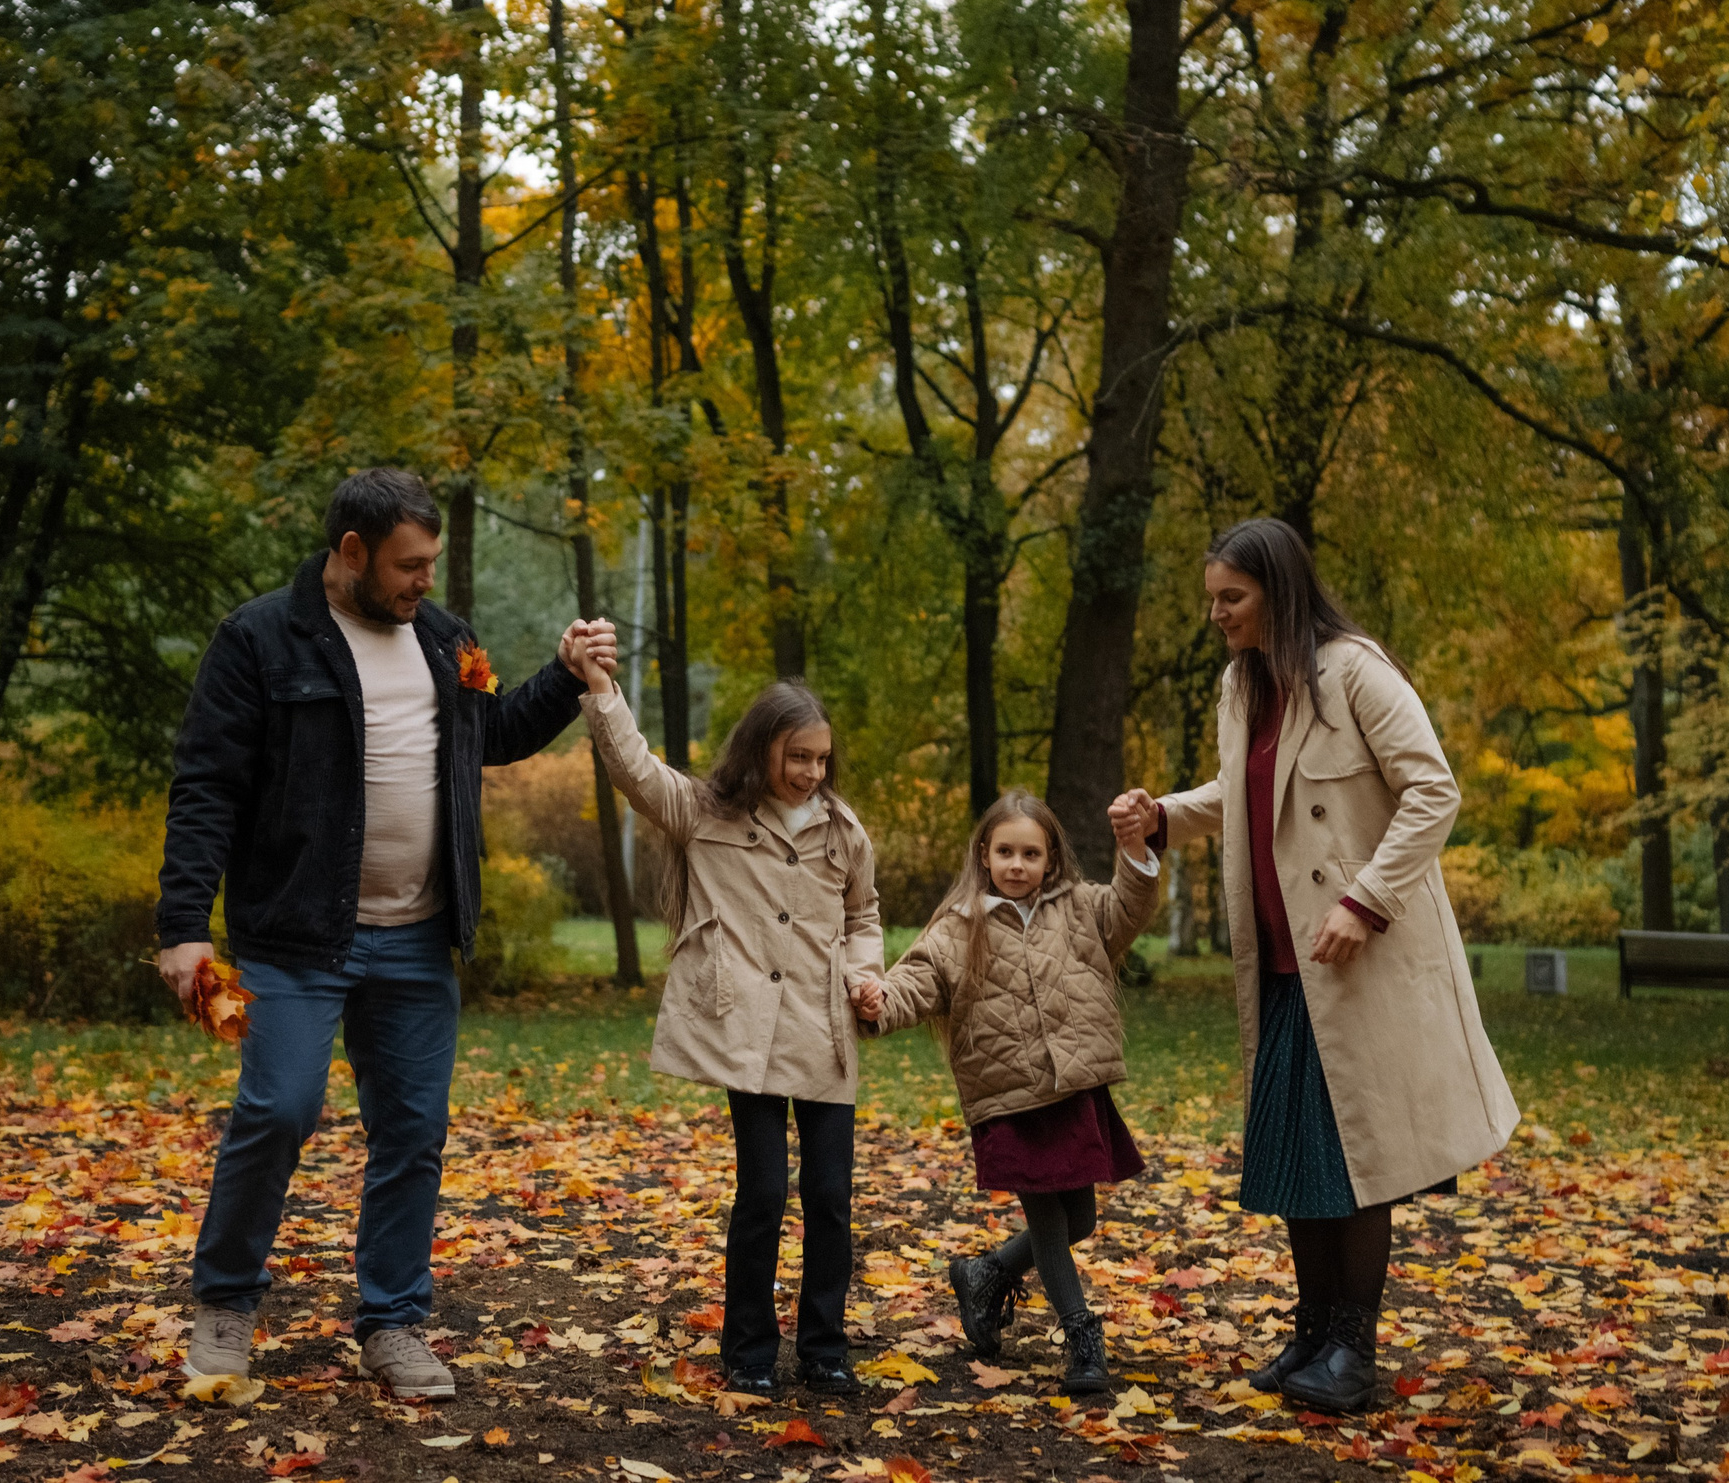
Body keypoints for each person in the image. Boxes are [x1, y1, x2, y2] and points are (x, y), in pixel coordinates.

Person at [153, 466, 615, 1399]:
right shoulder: (258, 638)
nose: (423, 581)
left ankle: (394, 1321)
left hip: (416, 938)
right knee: (278, 1110)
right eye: (408, 565)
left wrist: (564, 676)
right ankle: (226, 1304)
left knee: (413, 1130)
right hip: (295, 935)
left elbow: (493, 732)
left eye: (431, 563)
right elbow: (207, 784)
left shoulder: (446, 640)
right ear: (353, 551)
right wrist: (183, 924)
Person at [1122, 517, 1517, 1413]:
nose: (1216, 614)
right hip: (1279, 962)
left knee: (1353, 1155)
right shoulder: (1242, 685)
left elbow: (1434, 790)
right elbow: (1242, 791)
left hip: (1356, 962)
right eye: (1212, 598)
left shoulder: (1356, 672)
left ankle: (1353, 1348)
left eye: (1232, 597)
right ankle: (1310, 1332)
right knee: (1301, 1155)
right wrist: (1164, 815)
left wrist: (1365, 900)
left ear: (1279, 590)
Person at [565, 637, 884, 1396]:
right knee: (764, 1192)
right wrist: (602, 688)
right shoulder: (706, 812)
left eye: (821, 759)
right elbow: (636, 771)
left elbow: (864, 915)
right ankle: (748, 1351)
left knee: (831, 1197)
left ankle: (825, 1348)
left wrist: (866, 975)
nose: (811, 771)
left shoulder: (843, 831)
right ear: (761, 747)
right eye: (797, 756)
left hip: (824, 1033)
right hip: (748, 1033)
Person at [852, 791, 1162, 1397]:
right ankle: (1082, 1337)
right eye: (1005, 852)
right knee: (1048, 1218)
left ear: (1051, 859)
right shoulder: (958, 926)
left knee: (1080, 1219)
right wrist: (879, 1001)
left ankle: (987, 1273)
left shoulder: (1081, 908)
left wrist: (1134, 849)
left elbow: (1131, 906)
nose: (1017, 865)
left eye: (1030, 854)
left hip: (1071, 1086)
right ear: (984, 855)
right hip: (1009, 1096)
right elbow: (918, 980)